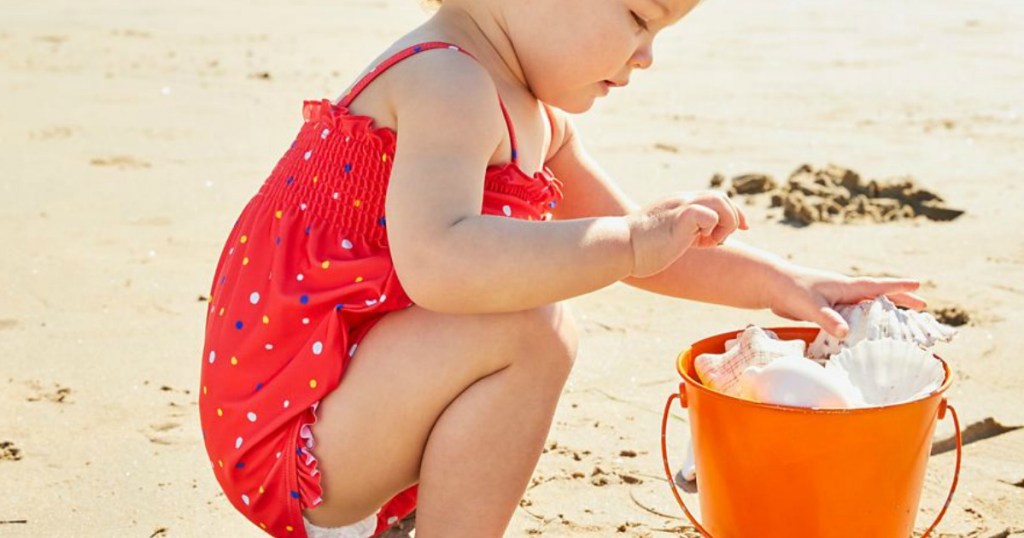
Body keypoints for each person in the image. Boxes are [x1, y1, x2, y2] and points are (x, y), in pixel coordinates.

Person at [198, 0, 926, 536]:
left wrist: (786, 283)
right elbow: (438, 263)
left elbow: (650, 259)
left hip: (355, 409)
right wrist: (630, 241)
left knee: (532, 325)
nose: (646, 56)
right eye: (639, 18)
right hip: (292, 436)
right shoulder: (445, 81)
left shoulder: (537, 118)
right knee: (531, 327)